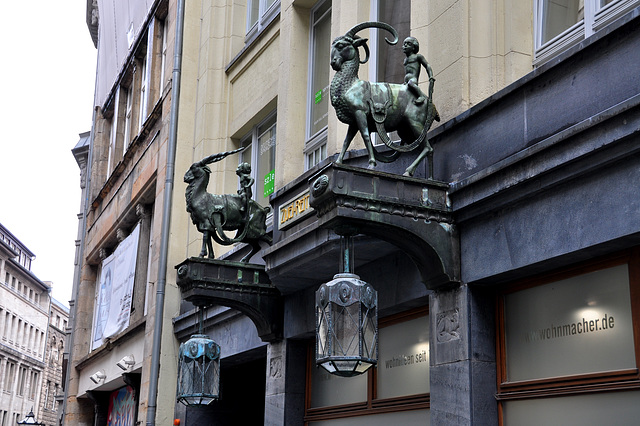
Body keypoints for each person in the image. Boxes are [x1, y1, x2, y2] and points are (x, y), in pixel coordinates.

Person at [402, 36, 435, 105]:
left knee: (411, 84)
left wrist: (431, 76)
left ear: (414, 47)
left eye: (408, 44)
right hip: (406, 80)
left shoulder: (418, 56)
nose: (405, 45)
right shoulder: (405, 60)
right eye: (404, 43)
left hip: (412, 79)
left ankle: (421, 96)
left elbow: (427, 65)